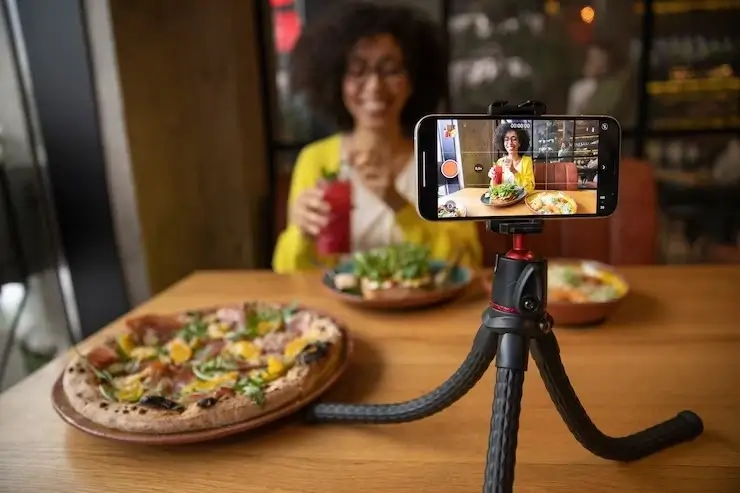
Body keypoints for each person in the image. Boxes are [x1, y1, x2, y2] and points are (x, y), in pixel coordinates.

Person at [272, 2, 481, 273]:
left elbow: (467, 262)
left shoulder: (445, 158)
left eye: (391, 69)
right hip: (341, 310)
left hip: (430, 312)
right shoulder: (316, 160)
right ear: (336, 81)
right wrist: (300, 233)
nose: (374, 87)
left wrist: (399, 205)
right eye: (357, 71)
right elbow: (286, 273)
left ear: (414, 80)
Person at [566, 41, 635, 125]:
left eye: (596, 59)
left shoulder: (611, 88)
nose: (588, 64)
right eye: (589, 59)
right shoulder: (581, 87)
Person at [487, 123, 536, 193]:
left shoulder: (527, 161)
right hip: (504, 201)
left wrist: (514, 171)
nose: (510, 143)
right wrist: (493, 178)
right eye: (506, 139)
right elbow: (495, 188)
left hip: (521, 201)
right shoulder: (500, 162)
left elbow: (530, 188)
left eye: (514, 139)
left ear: (519, 143)